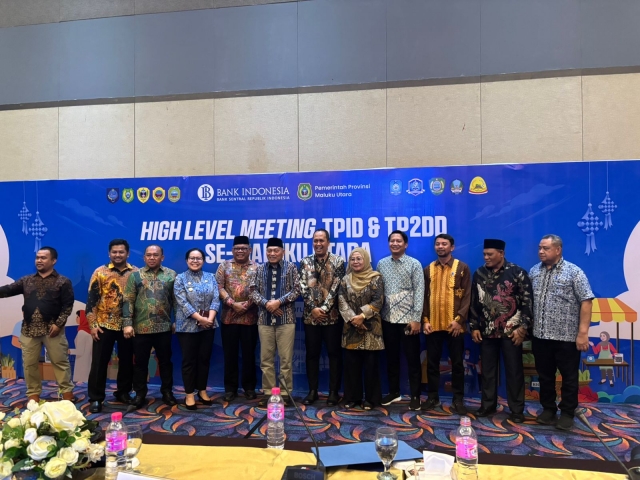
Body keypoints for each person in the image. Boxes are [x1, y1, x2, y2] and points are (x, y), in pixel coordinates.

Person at [530, 234, 594, 431]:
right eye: (540, 248)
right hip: (540, 336)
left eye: (546, 248)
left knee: (569, 377)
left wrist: (582, 333)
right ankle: (548, 410)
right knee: (545, 376)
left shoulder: (574, 272)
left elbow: (586, 301)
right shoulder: (534, 271)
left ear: (558, 250)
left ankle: (567, 413)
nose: (541, 251)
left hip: (566, 337)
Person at [469, 238, 533, 423]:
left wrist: (523, 328)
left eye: (490, 254)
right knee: (487, 372)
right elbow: (474, 303)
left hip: (511, 332)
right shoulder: (479, 273)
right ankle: (487, 405)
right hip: (487, 331)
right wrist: (474, 326)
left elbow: (527, 303)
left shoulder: (517, 272)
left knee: (514, 371)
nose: (486, 257)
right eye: (484, 254)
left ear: (501, 254)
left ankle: (517, 410)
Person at [0, 247, 75, 402]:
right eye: (37, 257)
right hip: (29, 330)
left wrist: (59, 324)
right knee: (29, 364)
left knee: (60, 362)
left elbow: (67, 305)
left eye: (43, 258)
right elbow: (8, 290)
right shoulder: (27, 280)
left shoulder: (63, 281)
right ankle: (33, 395)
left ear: (53, 261)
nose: (39, 260)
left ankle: (67, 393)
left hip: (53, 330)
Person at [421, 234, 471, 415]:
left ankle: (458, 399)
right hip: (433, 325)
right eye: (437, 244)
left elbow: (467, 296)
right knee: (432, 363)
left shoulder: (462, 268)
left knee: (457, 364)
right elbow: (423, 297)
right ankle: (432, 397)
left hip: (454, 326)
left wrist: (459, 320)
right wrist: (425, 320)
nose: (440, 247)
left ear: (452, 247)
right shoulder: (428, 269)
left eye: (444, 244)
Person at [86, 239, 138, 413]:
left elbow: (140, 301)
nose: (117, 255)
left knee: (127, 362)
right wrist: (93, 325)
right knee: (99, 363)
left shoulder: (136, 273)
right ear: (109, 254)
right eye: (114, 252)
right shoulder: (100, 272)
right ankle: (96, 398)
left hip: (127, 325)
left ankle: (123, 392)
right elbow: (91, 300)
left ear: (127, 254)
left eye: (121, 252)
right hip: (103, 325)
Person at [123, 245, 177, 409]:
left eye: (155, 255)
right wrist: (127, 324)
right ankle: (140, 394)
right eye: (148, 255)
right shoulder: (135, 276)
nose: (152, 258)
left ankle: (167, 392)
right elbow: (128, 300)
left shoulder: (171, 275)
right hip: (141, 328)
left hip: (164, 327)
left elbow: (176, 301)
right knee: (140, 363)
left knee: (165, 362)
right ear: (144, 257)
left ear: (162, 257)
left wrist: (177, 321)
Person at [376, 230, 424, 411]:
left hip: (408, 321)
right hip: (387, 319)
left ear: (406, 244)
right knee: (391, 359)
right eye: (392, 241)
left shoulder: (414, 264)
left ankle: (416, 396)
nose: (395, 244)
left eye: (399, 241)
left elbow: (419, 292)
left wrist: (416, 319)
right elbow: (378, 291)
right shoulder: (381, 264)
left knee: (413, 360)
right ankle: (394, 392)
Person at [249, 237, 300, 408]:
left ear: (282, 252)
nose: (272, 253)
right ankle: (269, 393)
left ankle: (285, 394)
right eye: (269, 250)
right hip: (264, 320)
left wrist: (278, 302)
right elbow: (253, 292)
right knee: (266, 360)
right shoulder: (259, 269)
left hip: (286, 320)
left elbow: (297, 290)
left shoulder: (291, 267)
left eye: (276, 250)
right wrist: (267, 304)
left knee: (285, 360)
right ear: (266, 252)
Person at [299, 229, 346, 406]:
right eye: (315, 240)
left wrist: (324, 309)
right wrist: (313, 308)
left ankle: (334, 392)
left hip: (332, 317)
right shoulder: (305, 261)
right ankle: (313, 391)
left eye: (321, 240)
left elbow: (337, 287)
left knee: (334, 354)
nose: (318, 244)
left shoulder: (338, 261)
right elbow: (303, 287)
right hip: (311, 317)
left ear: (328, 242)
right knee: (312, 354)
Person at [338, 248, 385, 409]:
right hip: (351, 328)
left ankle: (371, 400)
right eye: (352, 259)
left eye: (359, 259)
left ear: (365, 260)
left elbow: (378, 300)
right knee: (352, 365)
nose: (356, 262)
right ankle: (353, 398)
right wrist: (354, 319)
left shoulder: (375, 278)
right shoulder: (345, 279)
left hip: (371, 328)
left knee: (371, 366)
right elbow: (341, 301)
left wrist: (362, 316)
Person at [174, 248, 220, 410]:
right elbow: (182, 302)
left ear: (203, 261)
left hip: (209, 325)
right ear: (187, 261)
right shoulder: (180, 278)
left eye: (198, 258)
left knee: (204, 359)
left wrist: (210, 319)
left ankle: (202, 390)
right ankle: (189, 394)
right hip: (187, 326)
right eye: (192, 258)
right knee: (189, 361)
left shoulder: (211, 277)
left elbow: (216, 299)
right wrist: (200, 319)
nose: (195, 261)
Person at [216, 236, 259, 402]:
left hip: (250, 319)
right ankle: (230, 389)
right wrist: (232, 303)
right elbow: (219, 287)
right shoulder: (224, 266)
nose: (240, 251)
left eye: (243, 248)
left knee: (249, 355)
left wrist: (247, 305)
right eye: (237, 248)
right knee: (230, 355)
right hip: (229, 319)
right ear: (233, 250)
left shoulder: (257, 267)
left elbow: (260, 289)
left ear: (249, 250)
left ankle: (249, 388)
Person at [71, 310, 92, 383]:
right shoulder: (89, 332)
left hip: (82, 363)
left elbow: (79, 351)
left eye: (78, 317)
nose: (76, 319)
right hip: (88, 362)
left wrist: (69, 351)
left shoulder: (81, 333)